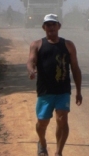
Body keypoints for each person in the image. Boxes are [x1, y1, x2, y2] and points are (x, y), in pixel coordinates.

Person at [27, 14, 82, 156]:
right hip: (45, 90)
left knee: (62, 119)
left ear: (59, 26)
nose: (51, 27)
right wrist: (31, 70)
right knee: (42, 123)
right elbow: (31, 60)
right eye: (48, 25)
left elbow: (75, 68)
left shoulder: (68, 45)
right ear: (44, 27)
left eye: (53, 24)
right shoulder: (37, 44)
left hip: (63, 90)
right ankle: (42, 144)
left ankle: (58, 152)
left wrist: (79, 91)